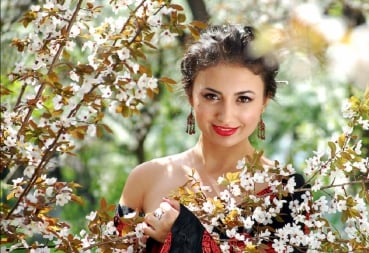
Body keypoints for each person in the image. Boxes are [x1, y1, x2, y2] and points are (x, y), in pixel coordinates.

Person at [115, 24, 307, 253]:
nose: (226, 115)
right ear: (190, 96)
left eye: (243, 99)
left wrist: (182, 236)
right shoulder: (145, 179)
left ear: (264, 101)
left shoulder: (287, 191)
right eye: (211, 96)